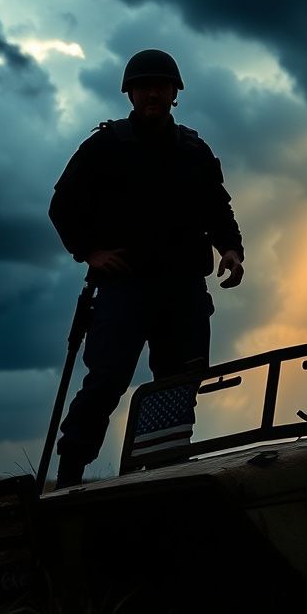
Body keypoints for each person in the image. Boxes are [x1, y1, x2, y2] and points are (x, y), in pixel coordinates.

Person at [48, 48, 244, 488]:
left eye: (161, 85)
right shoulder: (105, 146)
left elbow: (217, 207)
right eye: (143, 86)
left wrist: (231, 248)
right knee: (105, 383)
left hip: (184, 290)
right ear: (130, 93)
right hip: (125, 286)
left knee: (178, 385)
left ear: (175, 93)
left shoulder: (194, 150)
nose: (152, 92)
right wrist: (89, 252)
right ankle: (69, 478)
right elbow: (63, 203)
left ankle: (162, 475)